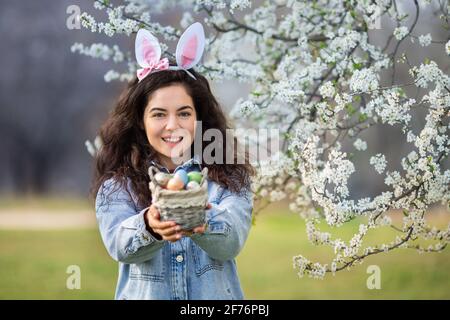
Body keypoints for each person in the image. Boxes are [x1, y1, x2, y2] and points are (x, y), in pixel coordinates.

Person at [91, 23, 255, 300]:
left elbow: (231, 242)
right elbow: (118, 245)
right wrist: (150, 226)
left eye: (183, 113)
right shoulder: (119, 184)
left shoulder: (228, 176)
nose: (172, 125)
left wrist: (200, 217)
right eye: (158, 114)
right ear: (140, 122)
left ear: (198, 118)